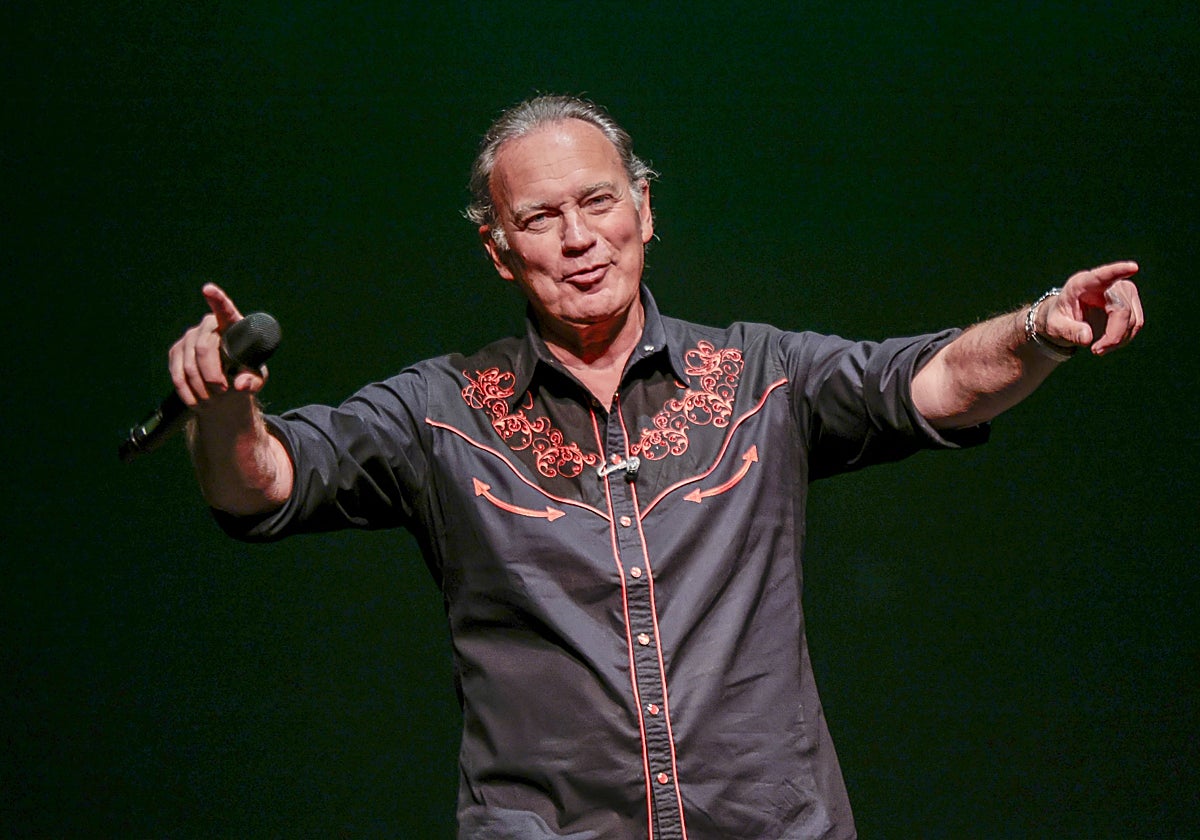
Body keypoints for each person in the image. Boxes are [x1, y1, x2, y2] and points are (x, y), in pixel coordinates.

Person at [169, 95, 1144, 839]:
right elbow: (263, 482)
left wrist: (1040, 327)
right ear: (499, 249)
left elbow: (934, 381)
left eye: (598, 202)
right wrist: (221, 411)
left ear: (644, 207)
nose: (579, 236)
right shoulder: (440, 413)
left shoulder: (763, 377)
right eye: (543, 217)